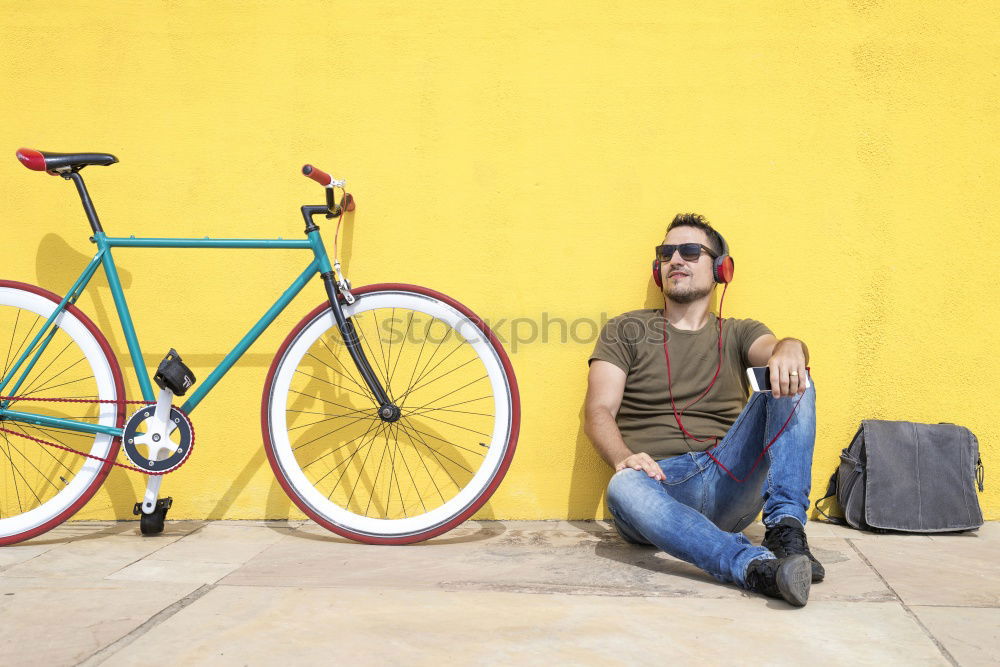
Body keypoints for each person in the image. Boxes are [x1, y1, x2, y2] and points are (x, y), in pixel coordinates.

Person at [584, 213, 822, 607]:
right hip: (659, 482)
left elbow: (776, 352)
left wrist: (791, 346)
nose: (676, 259)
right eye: (667, 253)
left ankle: (785, 529)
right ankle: (754, 567)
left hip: (729, 477)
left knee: (795, 378)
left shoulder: (739, 331)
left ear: (720, 269)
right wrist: (624, 458)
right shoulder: (625, 330)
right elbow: (598, 410)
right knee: (622, 484)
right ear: (657, 269)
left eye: (691, 251)